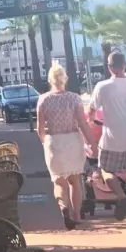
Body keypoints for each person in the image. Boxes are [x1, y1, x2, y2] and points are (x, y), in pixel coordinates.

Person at [89, 50, 126, 220]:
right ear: (125, 65)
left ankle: (121, 197)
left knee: (106, 170)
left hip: (111, 139)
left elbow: (91, 111)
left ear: (109, 67)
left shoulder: (102, 86)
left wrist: (96, 120)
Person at [36, 62, 88, 229]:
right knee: (75, 180)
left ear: (50, 80)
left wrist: (45, 142)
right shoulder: (74, 98)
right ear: (65, 78)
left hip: (53, 141)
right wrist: (92, 142)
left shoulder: (43, 99)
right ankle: (76, 215)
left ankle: (63, 207)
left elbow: (40, 128)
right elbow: (82, 123)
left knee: (59, 182)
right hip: (72, 140)